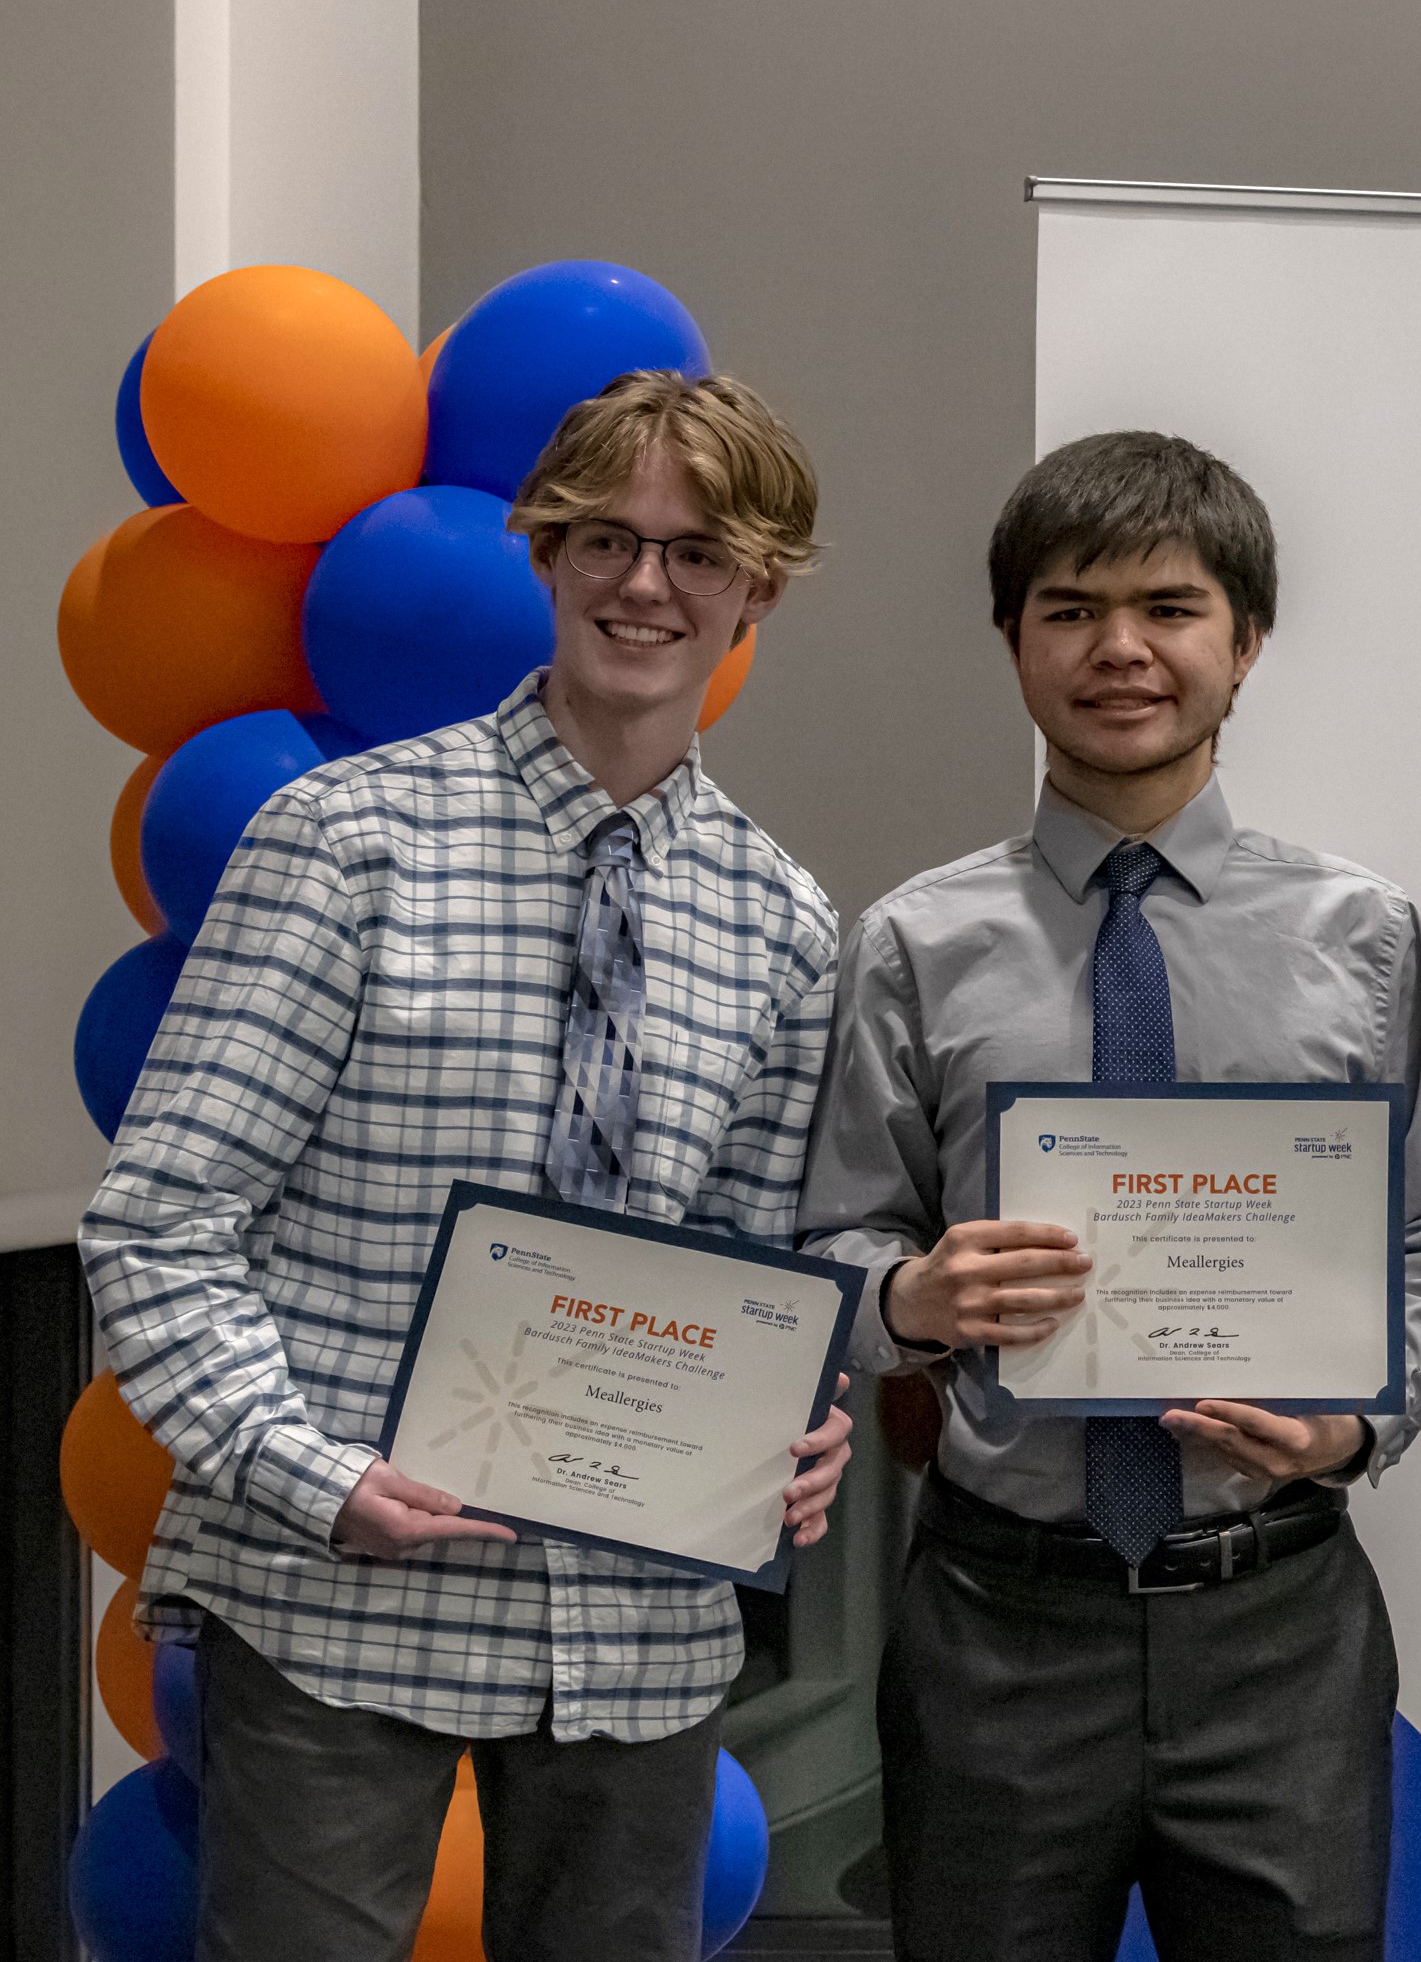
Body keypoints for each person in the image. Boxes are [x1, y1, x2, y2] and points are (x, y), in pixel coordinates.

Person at [80, 369, 857, 1961]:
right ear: (542, 554)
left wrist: (795, 1424)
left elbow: (749, 1264)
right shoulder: (346, 840)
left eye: (698, 552)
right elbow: (161, 1222)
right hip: (330, 1599)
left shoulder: (783, 918)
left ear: (759, 587)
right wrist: (317, 1478)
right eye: (603, 542)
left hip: (634, 1628)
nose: (647, 585)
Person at [797, 429, 1421, 1962]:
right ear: (1012, 643)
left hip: (1277, 1624)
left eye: (1170, 608)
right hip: (997, 1621)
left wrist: (1356, 1423)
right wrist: (907, 1299)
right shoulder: (913, 944)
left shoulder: (1365, 939)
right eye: (1070, 609)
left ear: (1244, 643)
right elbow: (820, 1251)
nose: (1122, 650)